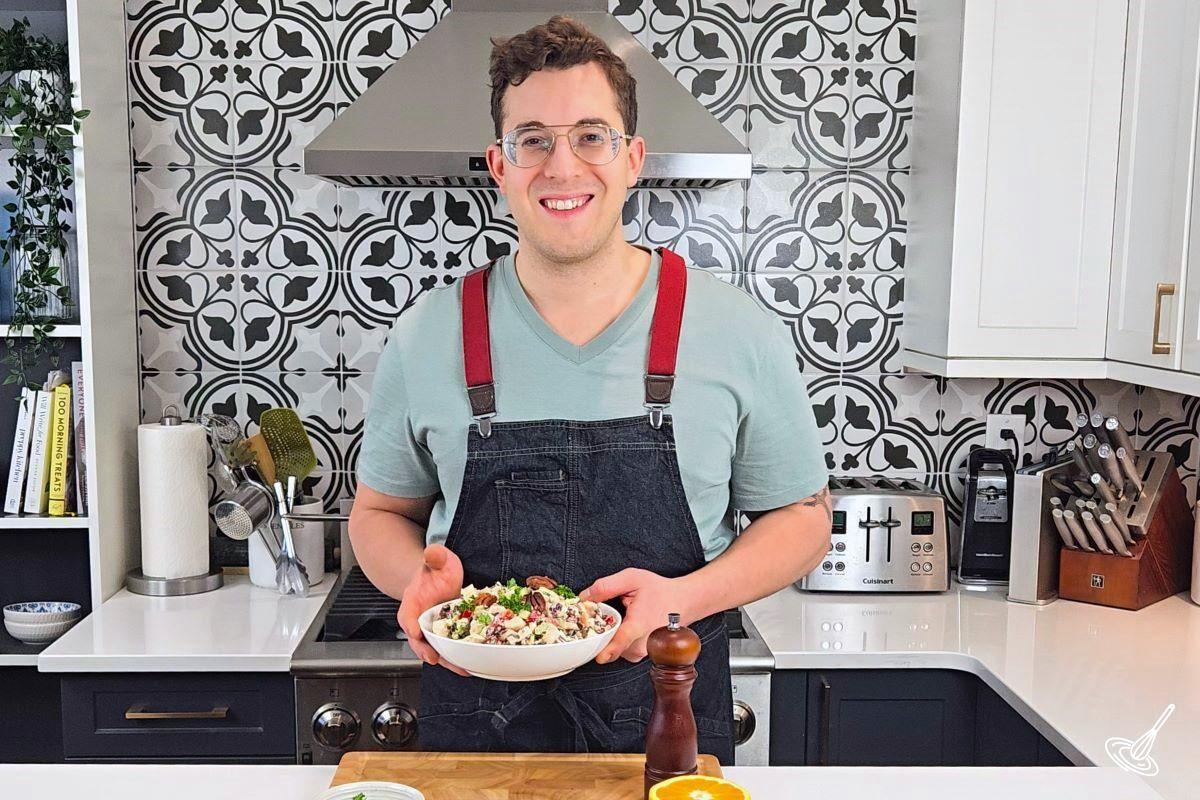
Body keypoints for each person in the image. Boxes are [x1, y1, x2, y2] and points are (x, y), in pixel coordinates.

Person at [348, 15, 831, 761]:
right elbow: (379, 514)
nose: (562, 166)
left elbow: (802, 520)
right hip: (478, 745)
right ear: (499, 163)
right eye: (533, 138)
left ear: (633, 157)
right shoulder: (427, 334)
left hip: (665, 729)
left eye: (591, 135)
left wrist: (683, 598)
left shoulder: (736, 330)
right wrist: (421, 582)